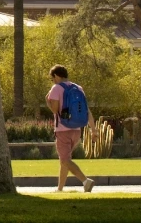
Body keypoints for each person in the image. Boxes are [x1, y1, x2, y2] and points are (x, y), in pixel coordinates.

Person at [46, 64, 95, 192]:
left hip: (62, 129)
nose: (53, 81)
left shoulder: (56, 88)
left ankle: (85, 181)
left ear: (56, 75)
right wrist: (93, 129)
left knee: (65, 160)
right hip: (76, 129)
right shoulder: (78, 88)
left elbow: (55, 110)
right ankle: (60, 189)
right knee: (65, 160)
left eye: (52, 78)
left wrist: (48, 102)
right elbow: (87, 111)